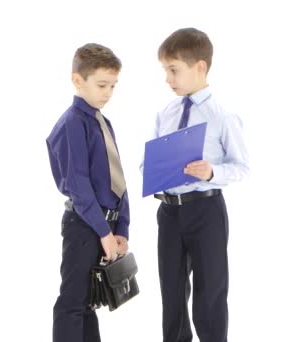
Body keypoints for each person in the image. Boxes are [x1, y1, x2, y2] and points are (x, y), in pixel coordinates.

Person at [146, 27, 249, 342]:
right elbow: (147, 160)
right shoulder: (166, 113)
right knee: (172, 293)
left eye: (173, 70)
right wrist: (152, 169)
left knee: (210, 292)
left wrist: (210, 172)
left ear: (200, 67)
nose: (168, 78)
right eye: (166, 70)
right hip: (170, 212)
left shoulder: (222, 116)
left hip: (206, 210)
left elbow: (241, 167)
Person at [46, 43, 130, 342]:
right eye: (102, 85)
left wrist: (121, 227)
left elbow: (118, 177)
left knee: (90, 301)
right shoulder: (73, 123)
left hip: (104, 225)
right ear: (77, 80)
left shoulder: (103, 123)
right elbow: (80, 186)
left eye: (113, 86)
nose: (108, 93)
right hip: (83, 225)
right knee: (72, 302)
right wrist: (102, 232)